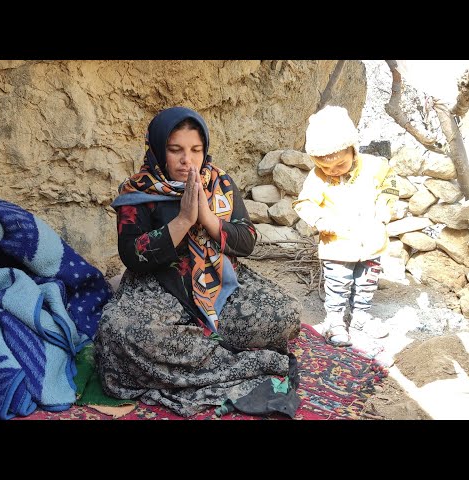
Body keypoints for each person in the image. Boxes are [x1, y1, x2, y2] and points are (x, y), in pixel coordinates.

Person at [94, 106, 302, 417]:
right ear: (157, 149)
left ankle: (195, 349)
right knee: (118, 330)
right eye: (175, 150)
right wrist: (182, 221)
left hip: (219, 283)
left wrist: (207, 218)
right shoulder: (137, 190)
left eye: (196, 150)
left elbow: (246, 241)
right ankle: (243, 360)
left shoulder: (220, 185)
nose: (186, 160)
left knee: (286, 314)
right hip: (159, 287)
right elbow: (132, 256)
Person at [293, 105, 398, 365]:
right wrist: (319, 220)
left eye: (340, 163)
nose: (334, 171)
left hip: (371, 242)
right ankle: (335, 321)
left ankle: (361, 318)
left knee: (366, 283)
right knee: (338, 284)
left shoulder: (375, 167)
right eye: (326, 167)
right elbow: (304, 204)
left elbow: (390, 184)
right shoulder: (317, 177)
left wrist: (386, 204)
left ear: (353, 148)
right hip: (337, 245)